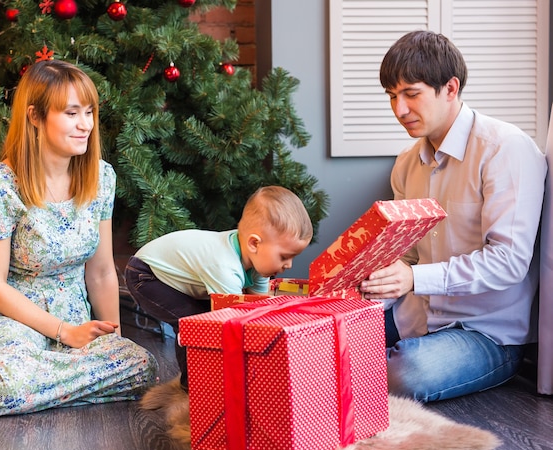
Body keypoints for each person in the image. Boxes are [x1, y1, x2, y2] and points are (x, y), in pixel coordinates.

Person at [0, 60, 158, 417]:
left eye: (89, 111)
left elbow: (100, 272)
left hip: (76, 318)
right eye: (71, 113)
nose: (86, 125)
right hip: (11, 319)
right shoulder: (0, 188)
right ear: (35, 116)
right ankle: (4, 385)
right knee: (11, 385)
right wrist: (63, 332)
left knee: (139, 366)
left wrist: (112, 340)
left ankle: (33, 389)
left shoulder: (101, 178)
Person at [359, 30, 546, 402]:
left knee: (407, 373)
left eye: (411, 94)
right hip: (416, 314)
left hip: (487, 333)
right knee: (322, 338)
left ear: (450, 88)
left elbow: (509, 262)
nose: (399, 110)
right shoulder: (406, 164)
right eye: (392, 96)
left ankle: (351, 375)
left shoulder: (504, 150)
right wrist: (369, 293)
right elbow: (407, 254)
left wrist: (413, 277)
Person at [125, 185, 313, 390]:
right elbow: (232, 326)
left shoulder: (258, 262)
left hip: (178, 277)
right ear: (253, 244)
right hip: (146, 276)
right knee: (194, 324)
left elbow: (258, 309)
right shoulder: (224, 266)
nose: (289, 265)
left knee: (202, 320)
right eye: (284, 257)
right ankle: (194, 389)